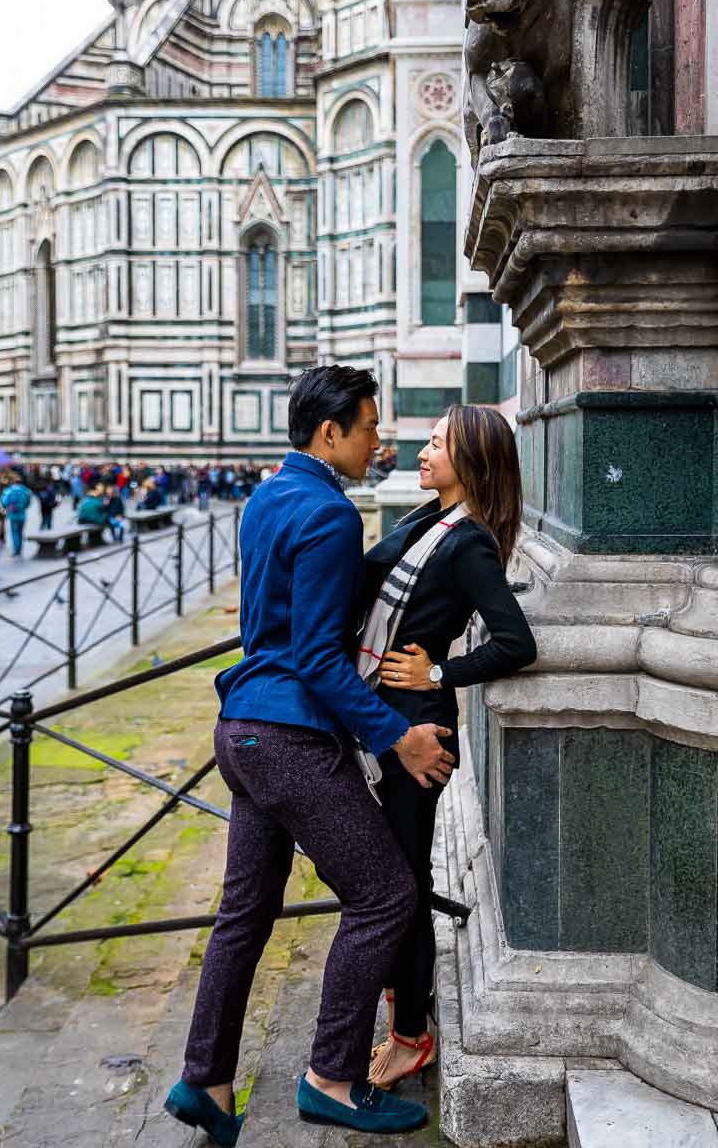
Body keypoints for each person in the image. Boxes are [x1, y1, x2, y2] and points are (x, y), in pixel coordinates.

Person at [164, 366, 456, 1143]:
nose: (378, 440)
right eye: (367, 426)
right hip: (289, 736)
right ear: (330, 432)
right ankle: (332, 1075)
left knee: (244, 914)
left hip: (243, 731)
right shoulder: (329, 513)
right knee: (386, 895)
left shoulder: (268, 496)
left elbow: (290, 620)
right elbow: (323, 661)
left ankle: (207, 1081)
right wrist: (400, 734)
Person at [360, 405, 537, 1091]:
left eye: (437, 443)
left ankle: (410, 1035)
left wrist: (438, 671)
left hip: (415, 733)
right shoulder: (427, 519)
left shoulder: (468, 544)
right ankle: (401, 1000)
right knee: (382, 878)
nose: (424, 450)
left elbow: (515, 642)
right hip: (382, 717)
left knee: (398, 886)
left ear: (472, 462)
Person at [0, 474, 32, 557]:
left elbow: (4, 502)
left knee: (14, 532)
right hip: (22, 514)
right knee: (20, 532)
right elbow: (28, 503)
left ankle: (16, 550)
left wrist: (7, 508)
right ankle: (20, 549)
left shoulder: (9, 490)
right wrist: (23, 507)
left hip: (13, 515)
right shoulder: (26, 491)